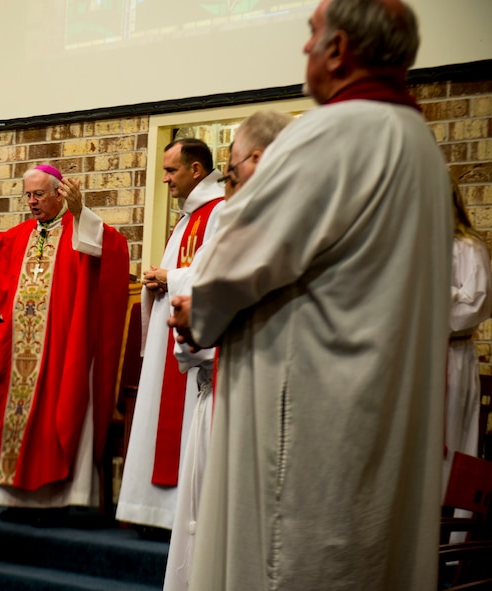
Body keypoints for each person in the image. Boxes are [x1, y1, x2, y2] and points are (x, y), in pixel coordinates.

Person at [168, 0, 451, 588]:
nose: (303, 48)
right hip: (379, 410)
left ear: (341, 50)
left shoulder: (330, 135)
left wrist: (200, 310)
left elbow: (234, 261)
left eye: (311, 33)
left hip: (310, 417)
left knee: (290, 559)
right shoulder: (419, 142)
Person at [0, 164, 129, 517]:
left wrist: (81, 213)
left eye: (39, 195)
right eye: (28, 195)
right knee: (12, 412)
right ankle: (14, 497)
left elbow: (113, 249)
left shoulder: (78, 228)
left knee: (56, 411)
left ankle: (54, 501)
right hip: (17, 352)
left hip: (61, 350)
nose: (32, 202)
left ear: (59, 193)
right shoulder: (20, 235)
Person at [163, 110, 293, 591]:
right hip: (245, 391)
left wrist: (191, 317)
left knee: (219, 527)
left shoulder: (253, 220)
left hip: (237, 394)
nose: (230, 184)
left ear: (257, 161)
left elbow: (210, 308)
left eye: (233, 172)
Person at [115, 139, 224, 537]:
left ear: (196, 170)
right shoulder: (188, 215)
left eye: (171, 170)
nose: (164, 179)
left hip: (194, 339)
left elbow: (216, 272)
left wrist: (169, 277)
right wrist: (157, 280)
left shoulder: (219, 211)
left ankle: (173, 515)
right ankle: (153, 512)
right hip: (172, 330)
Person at [444, 177, 491, 491]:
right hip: (417, 358)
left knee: (451, 441)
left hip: (452, 354)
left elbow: (477, 302)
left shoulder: (467, 246)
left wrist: (432, 294)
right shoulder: (416, 243)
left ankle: (449, 534)